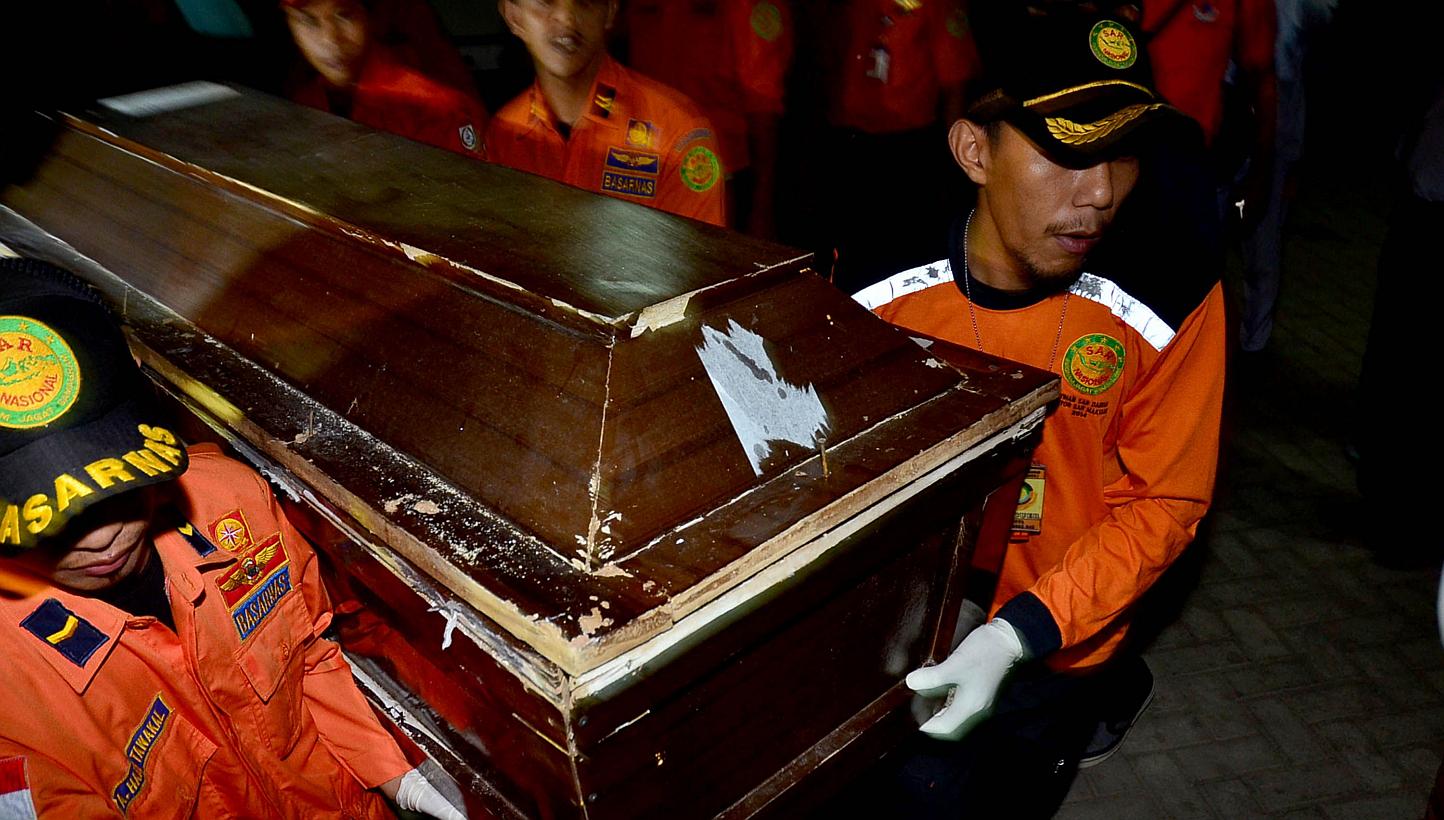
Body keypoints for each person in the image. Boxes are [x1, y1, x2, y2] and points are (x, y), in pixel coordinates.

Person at [851, 8, 1225, 814]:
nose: (1101, 193)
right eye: (1066, 153)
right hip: (904, 635)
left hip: (1060, 648)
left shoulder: (1170, 287)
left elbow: (1166, 499)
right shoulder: (876, 275)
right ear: (974, 151)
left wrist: (1017, 632)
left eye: (1122, 153)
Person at [0, 257, 465, 819]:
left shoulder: (230, 502)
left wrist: (394, 771)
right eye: (49, 521)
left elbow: (311, 655)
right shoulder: (11, 696)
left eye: (116, 488)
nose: (102, 538)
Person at [486, 0, 728, 227]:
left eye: (585, 1)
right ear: (514, 16)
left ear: (610, 11)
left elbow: (698, 266)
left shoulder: (677, 129)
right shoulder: (504, 133)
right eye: (546, 2)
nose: (567, 19)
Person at [623, 0, 793, 235]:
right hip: (641, 165)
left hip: (716, 174)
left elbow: (762, 103)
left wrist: (762, 205)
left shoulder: (744, 5)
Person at [283, 0, 487, 158]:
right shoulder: (303, 101)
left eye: (344, 15)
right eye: (308, 21)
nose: (330, 40)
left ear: (369, 16)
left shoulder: (433, 108)